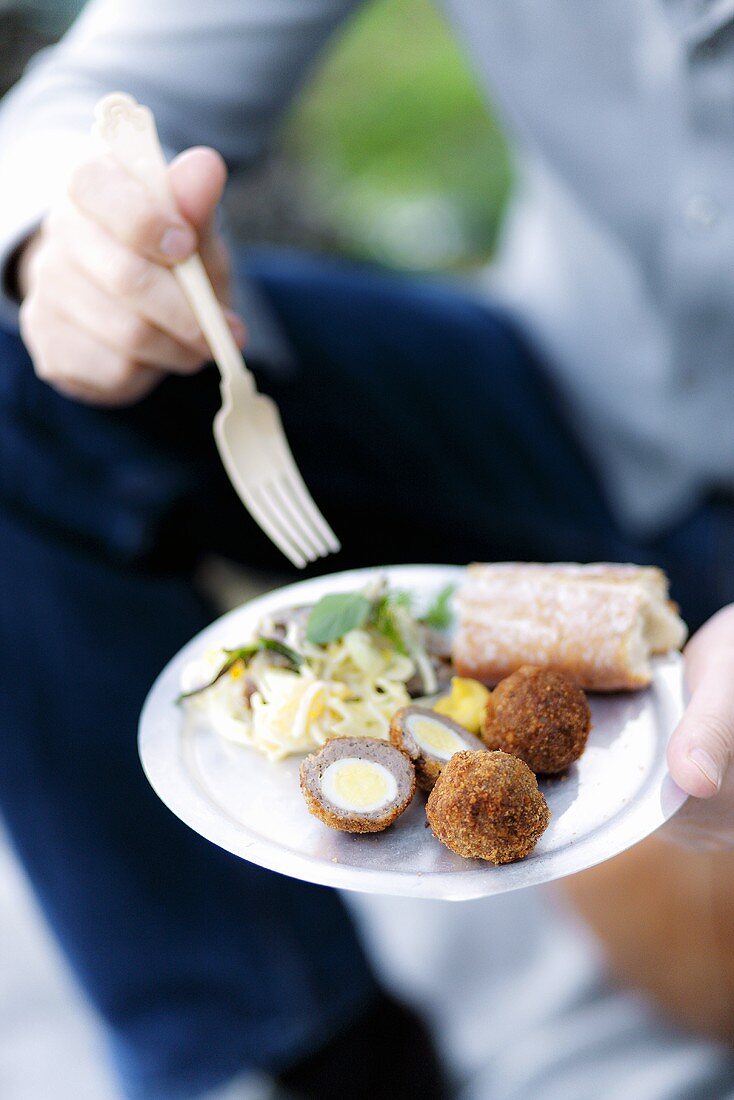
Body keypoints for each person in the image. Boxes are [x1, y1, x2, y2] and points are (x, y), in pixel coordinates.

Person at [1, 1, 733, 1097]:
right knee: (13, 392)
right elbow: (84, 97)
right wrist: (75, 246)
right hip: (570, 395)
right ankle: (295, 1052)